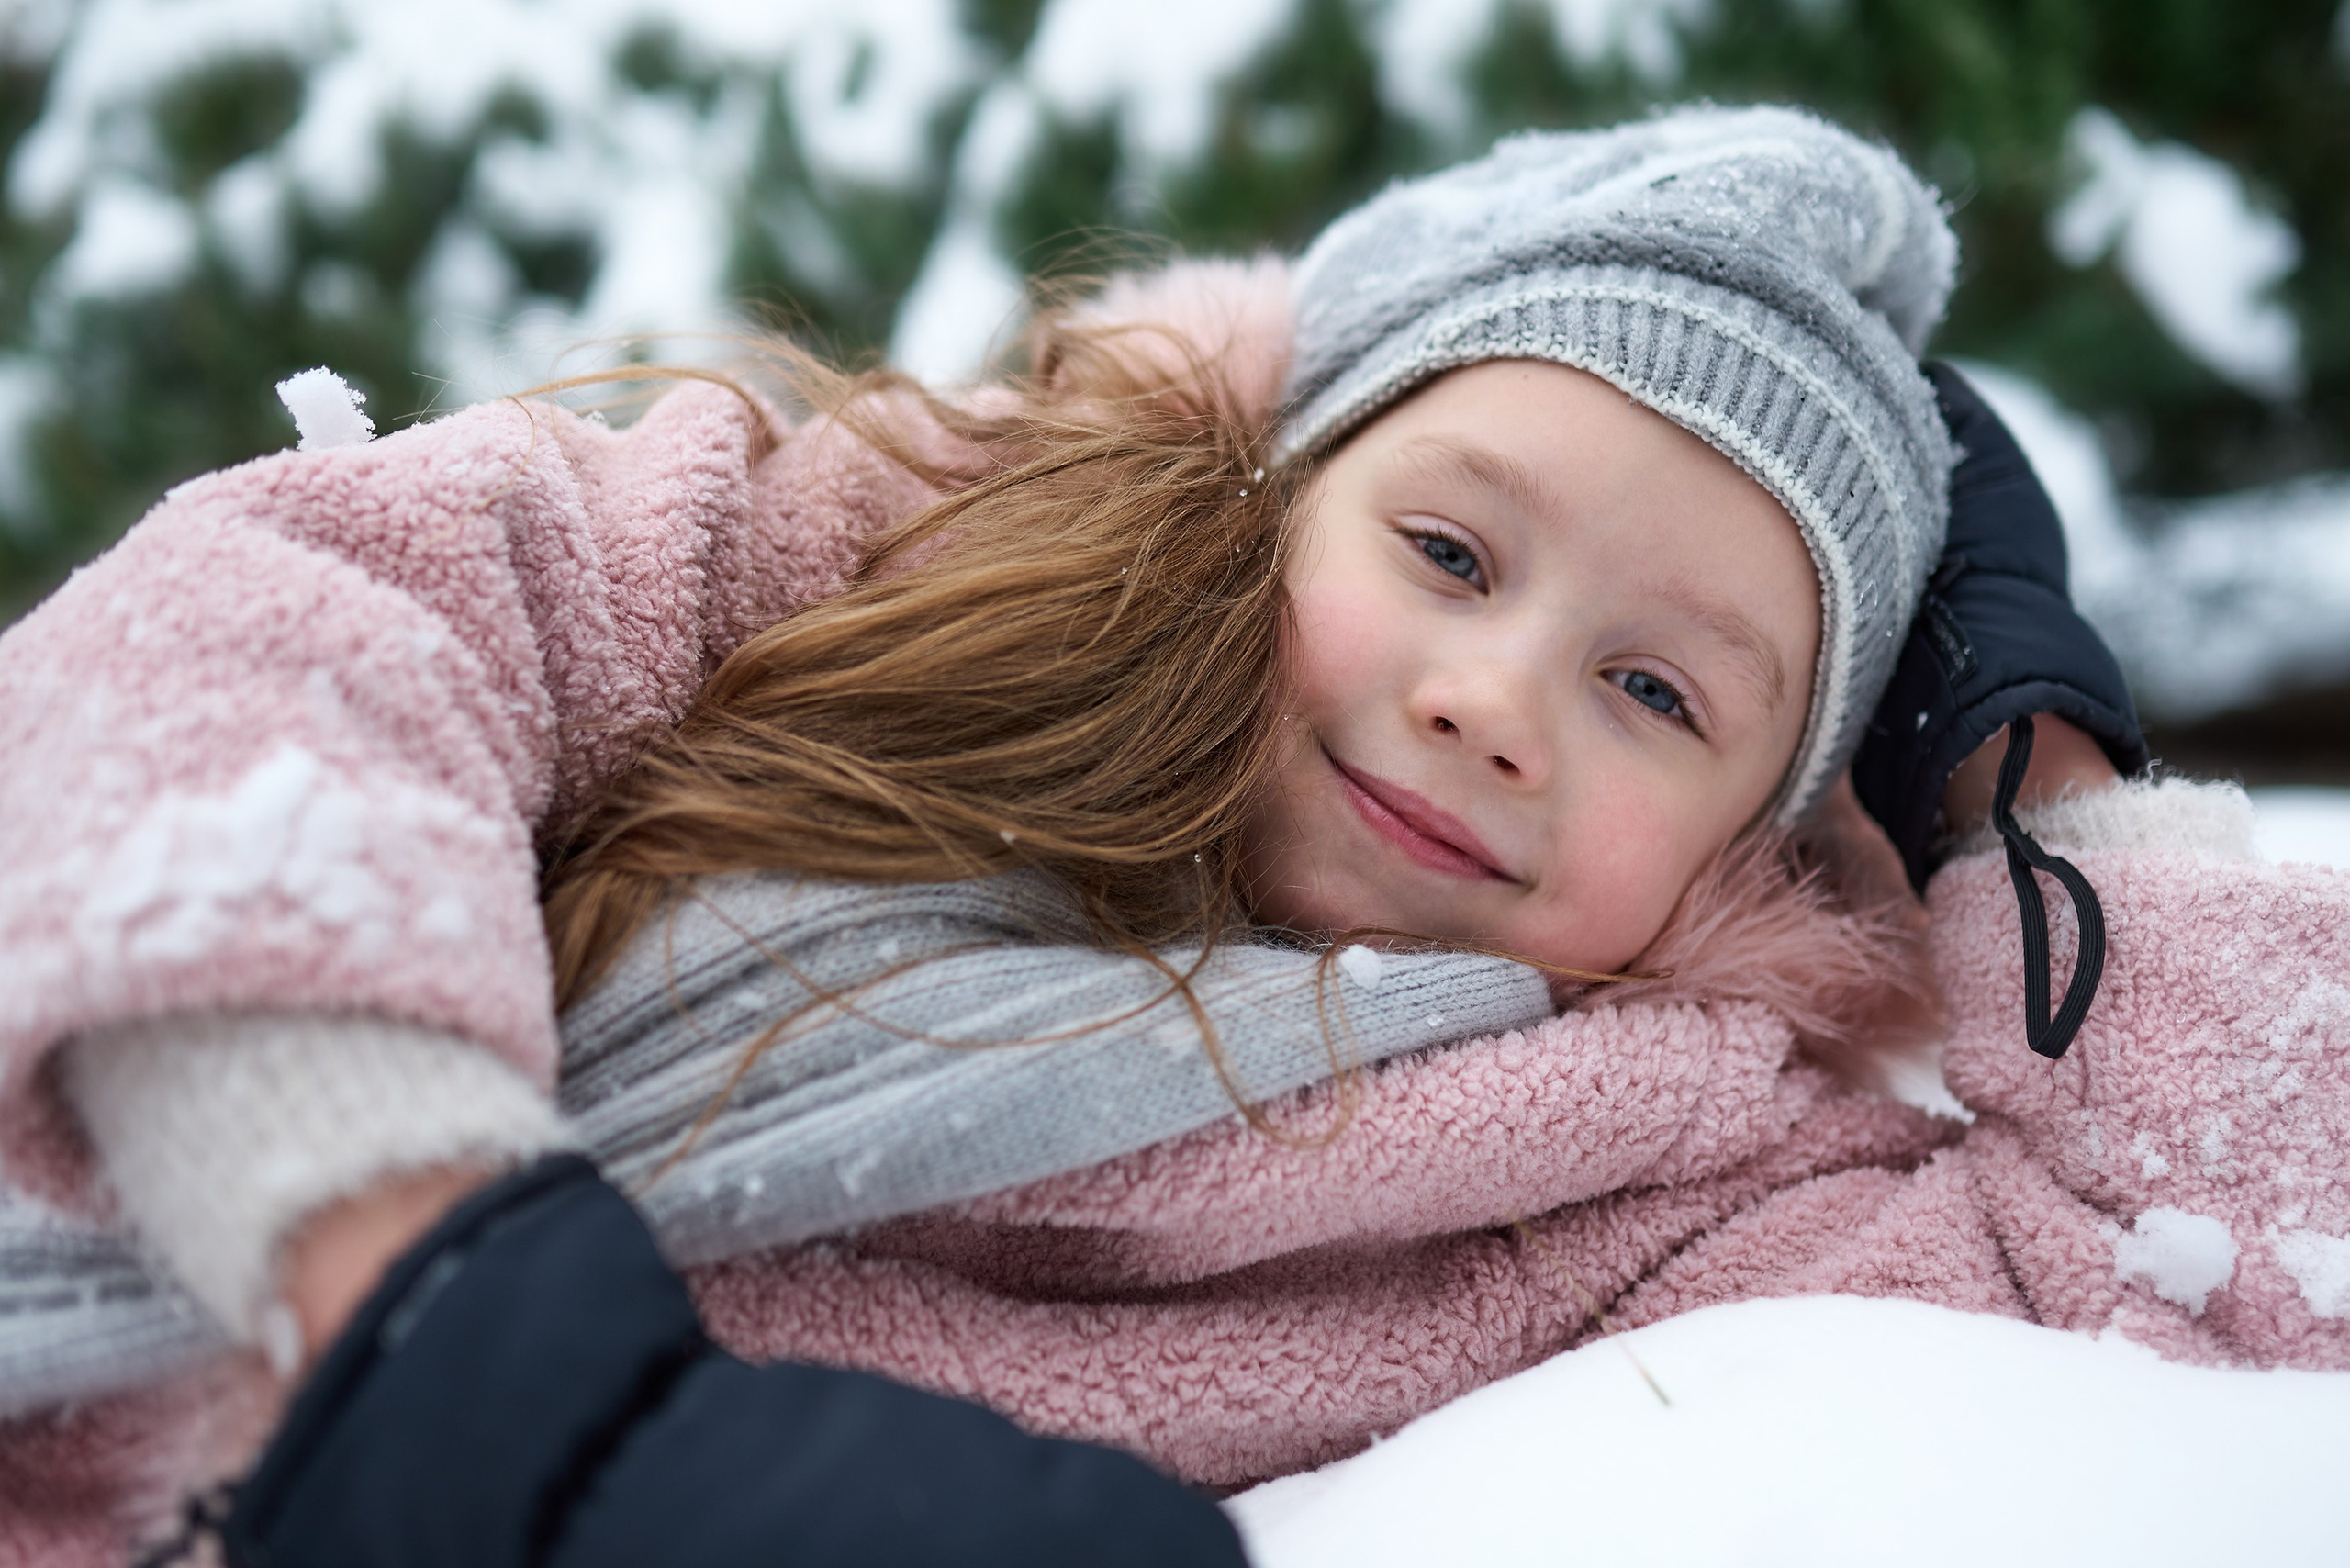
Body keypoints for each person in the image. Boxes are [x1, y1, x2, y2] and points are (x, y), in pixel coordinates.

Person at [2, 105, 2341, 1562]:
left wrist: (2025, 781)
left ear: (1753, 828)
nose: (1488, 697)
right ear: (1277, 489)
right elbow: (265, 618)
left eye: (1657, 689)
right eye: (1445, 550)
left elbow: (2235, 1278)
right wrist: (440, 1316)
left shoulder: (1659, 1154)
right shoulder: (864, 553)